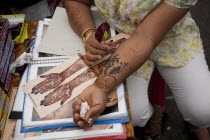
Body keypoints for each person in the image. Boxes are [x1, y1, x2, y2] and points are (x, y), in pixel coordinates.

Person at [64, 0, 210, 140]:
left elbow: (146, 36)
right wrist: (88, 34)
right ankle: (156, 114)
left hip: (172, 35)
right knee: (136, 115)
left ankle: (195, 123)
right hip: (120, 38)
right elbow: (76, 1)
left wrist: (100, 87)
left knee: (203, 111)